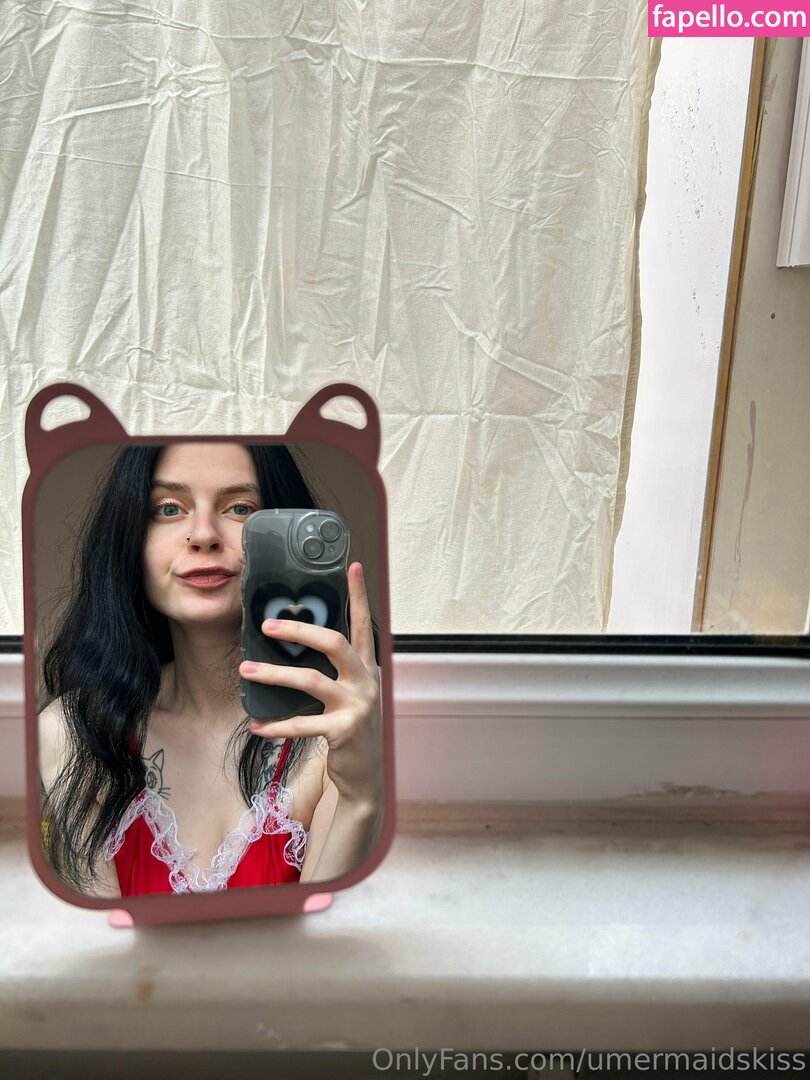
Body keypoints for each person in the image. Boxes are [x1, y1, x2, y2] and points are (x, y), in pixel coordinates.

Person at [38, 442, 383, 897]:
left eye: (240, 508)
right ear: (130, 538)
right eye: (168, 508)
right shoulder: (75, 733)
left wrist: (358, 797)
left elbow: (323, 936)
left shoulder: (336, 733)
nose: (203, 534)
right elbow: (105, 941)